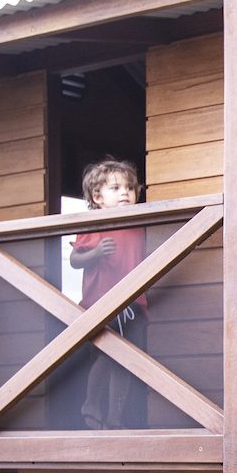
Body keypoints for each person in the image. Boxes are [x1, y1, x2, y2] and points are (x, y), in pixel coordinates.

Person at [70, 158, 150, 429]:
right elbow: (74, 260)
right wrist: (94, 253)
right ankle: (91, 405)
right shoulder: (95, 222)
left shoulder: (139, 223)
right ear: (98, 197)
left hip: (134, 302)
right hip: (103, 302)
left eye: (130, 188)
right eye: (116, 188)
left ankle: (115, 417)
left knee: (125, 361)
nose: (125, 193)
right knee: (107, 355)